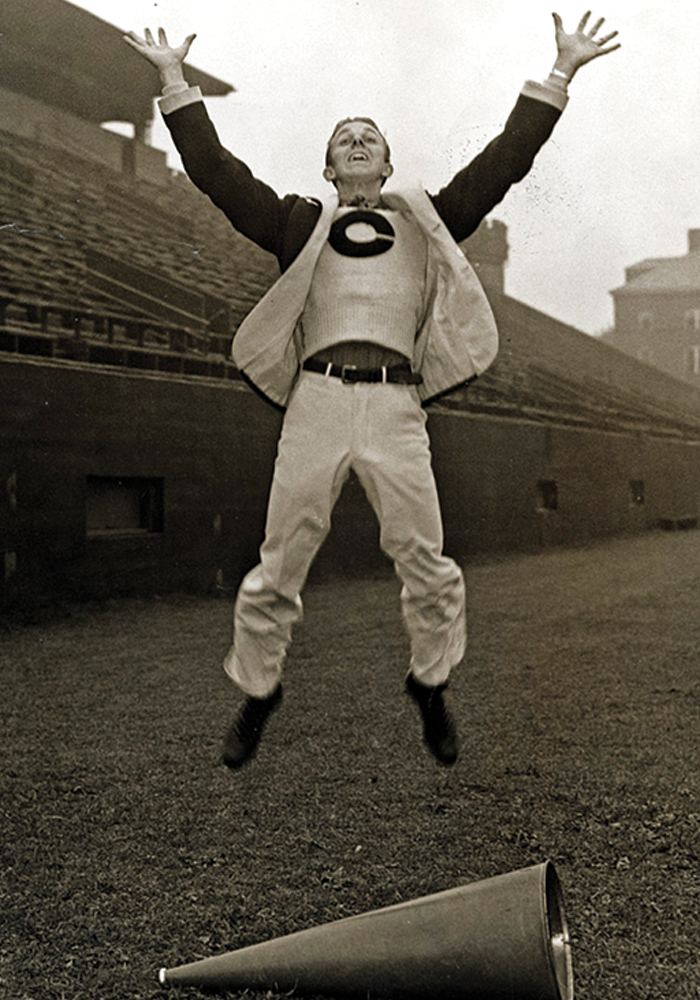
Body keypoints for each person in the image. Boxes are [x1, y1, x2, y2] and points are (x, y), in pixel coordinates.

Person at [125, 12, 619, 770]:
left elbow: (501, 164)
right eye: (343, 138)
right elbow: (220, 178)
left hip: (395, 404)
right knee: (280, 557)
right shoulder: (296, 222)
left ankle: (429, 685)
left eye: (370, 137)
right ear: (328, 168)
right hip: (316, 401)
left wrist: (561, 74)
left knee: (425, 557)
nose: (357, 142)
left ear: (387, 165)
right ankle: (258, 692)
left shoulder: (427, 227)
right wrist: (173, 81)